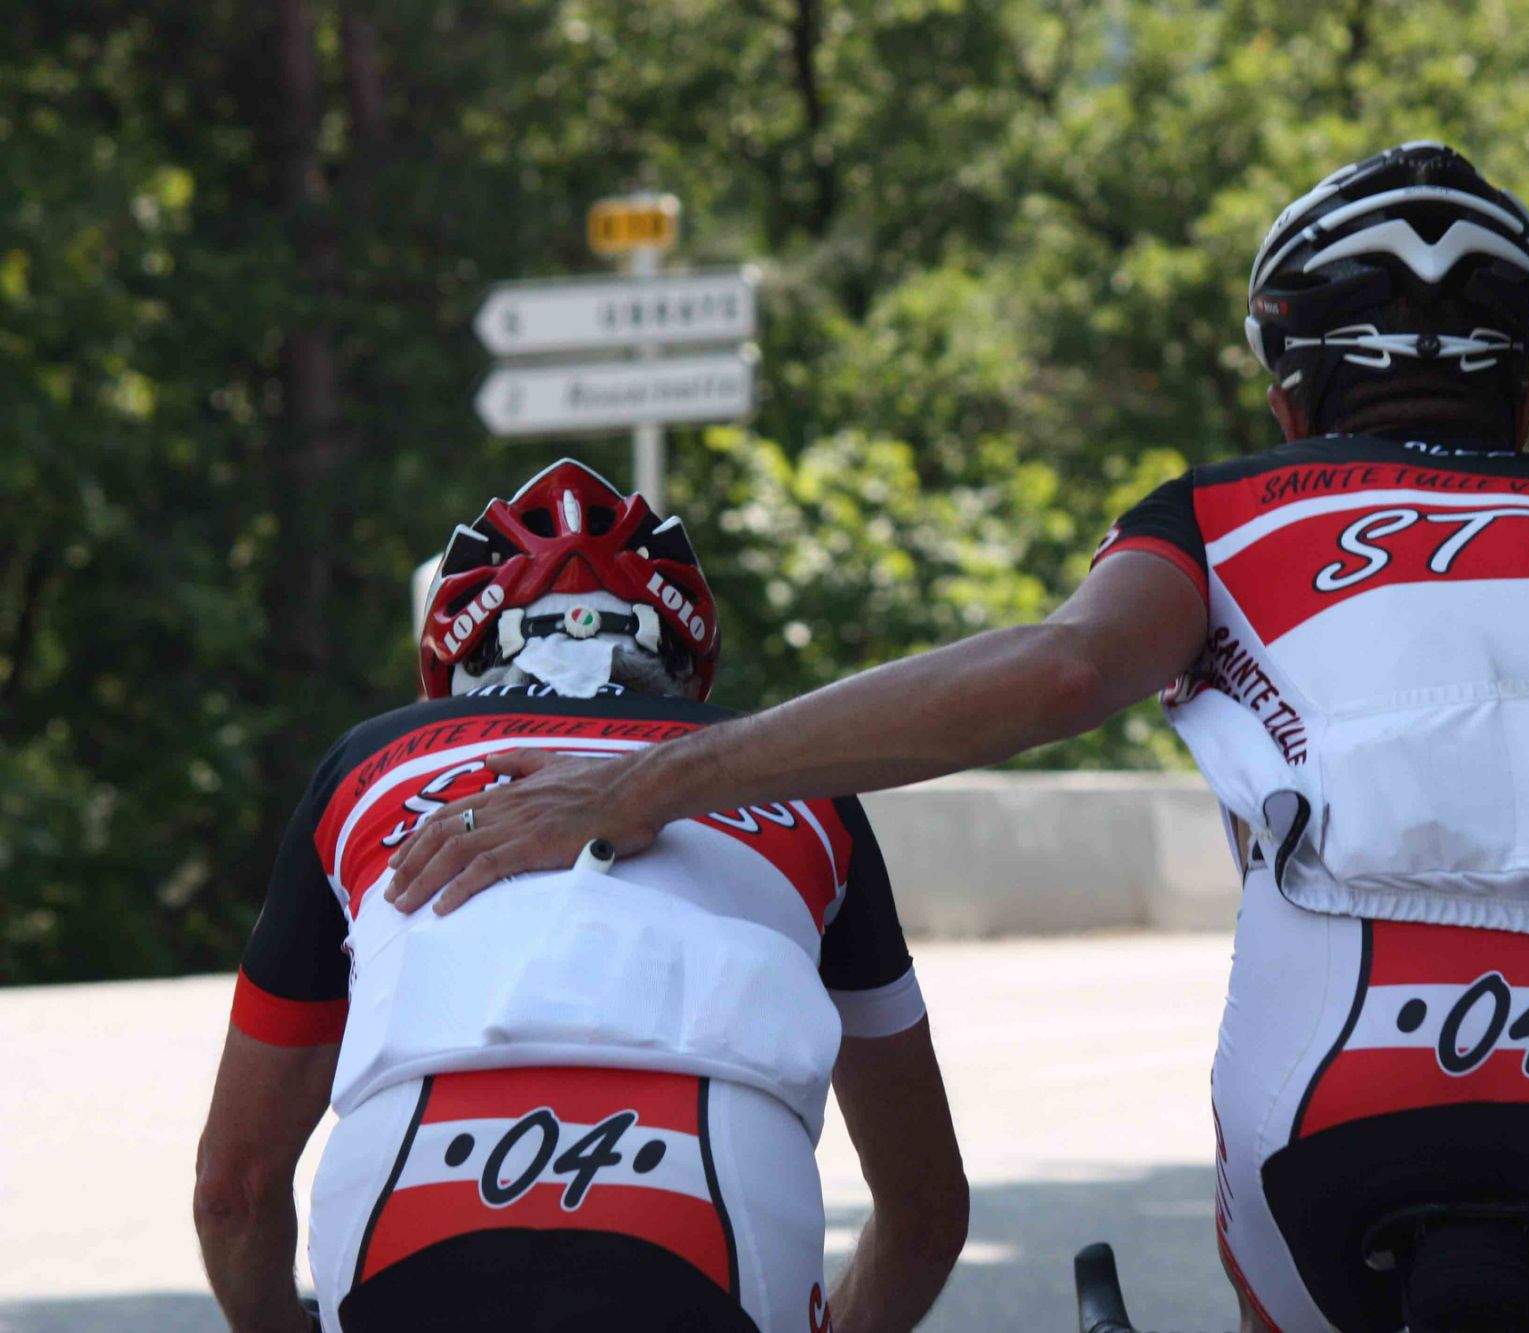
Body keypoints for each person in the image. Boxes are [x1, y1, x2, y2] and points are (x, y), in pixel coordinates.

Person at [383, 145, 1529, 1331]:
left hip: (1343, 1084)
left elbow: (1058, 671)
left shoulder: (1229, 510)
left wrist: (664, 776)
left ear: (1289, 388)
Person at [193, 460, 967, 1333]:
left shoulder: (365, 766)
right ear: (686, 663)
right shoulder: (802, 781)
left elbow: (234, 1189)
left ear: (457, 659)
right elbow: (925, 1210)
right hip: (714, 1212)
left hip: (406, 1206)